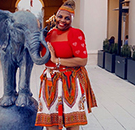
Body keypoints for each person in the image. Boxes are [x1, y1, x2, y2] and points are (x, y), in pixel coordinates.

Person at [35, 0, 97, 130]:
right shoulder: (50, 33)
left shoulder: (76, 33)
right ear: (55, 16)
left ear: (72, 19)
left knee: (72, 124)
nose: (62, 20)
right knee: (50, 124)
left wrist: (57, 60)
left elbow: (82, 60)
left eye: (67, 18)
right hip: (50, 82)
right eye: (60, 16)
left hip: (70, 82)